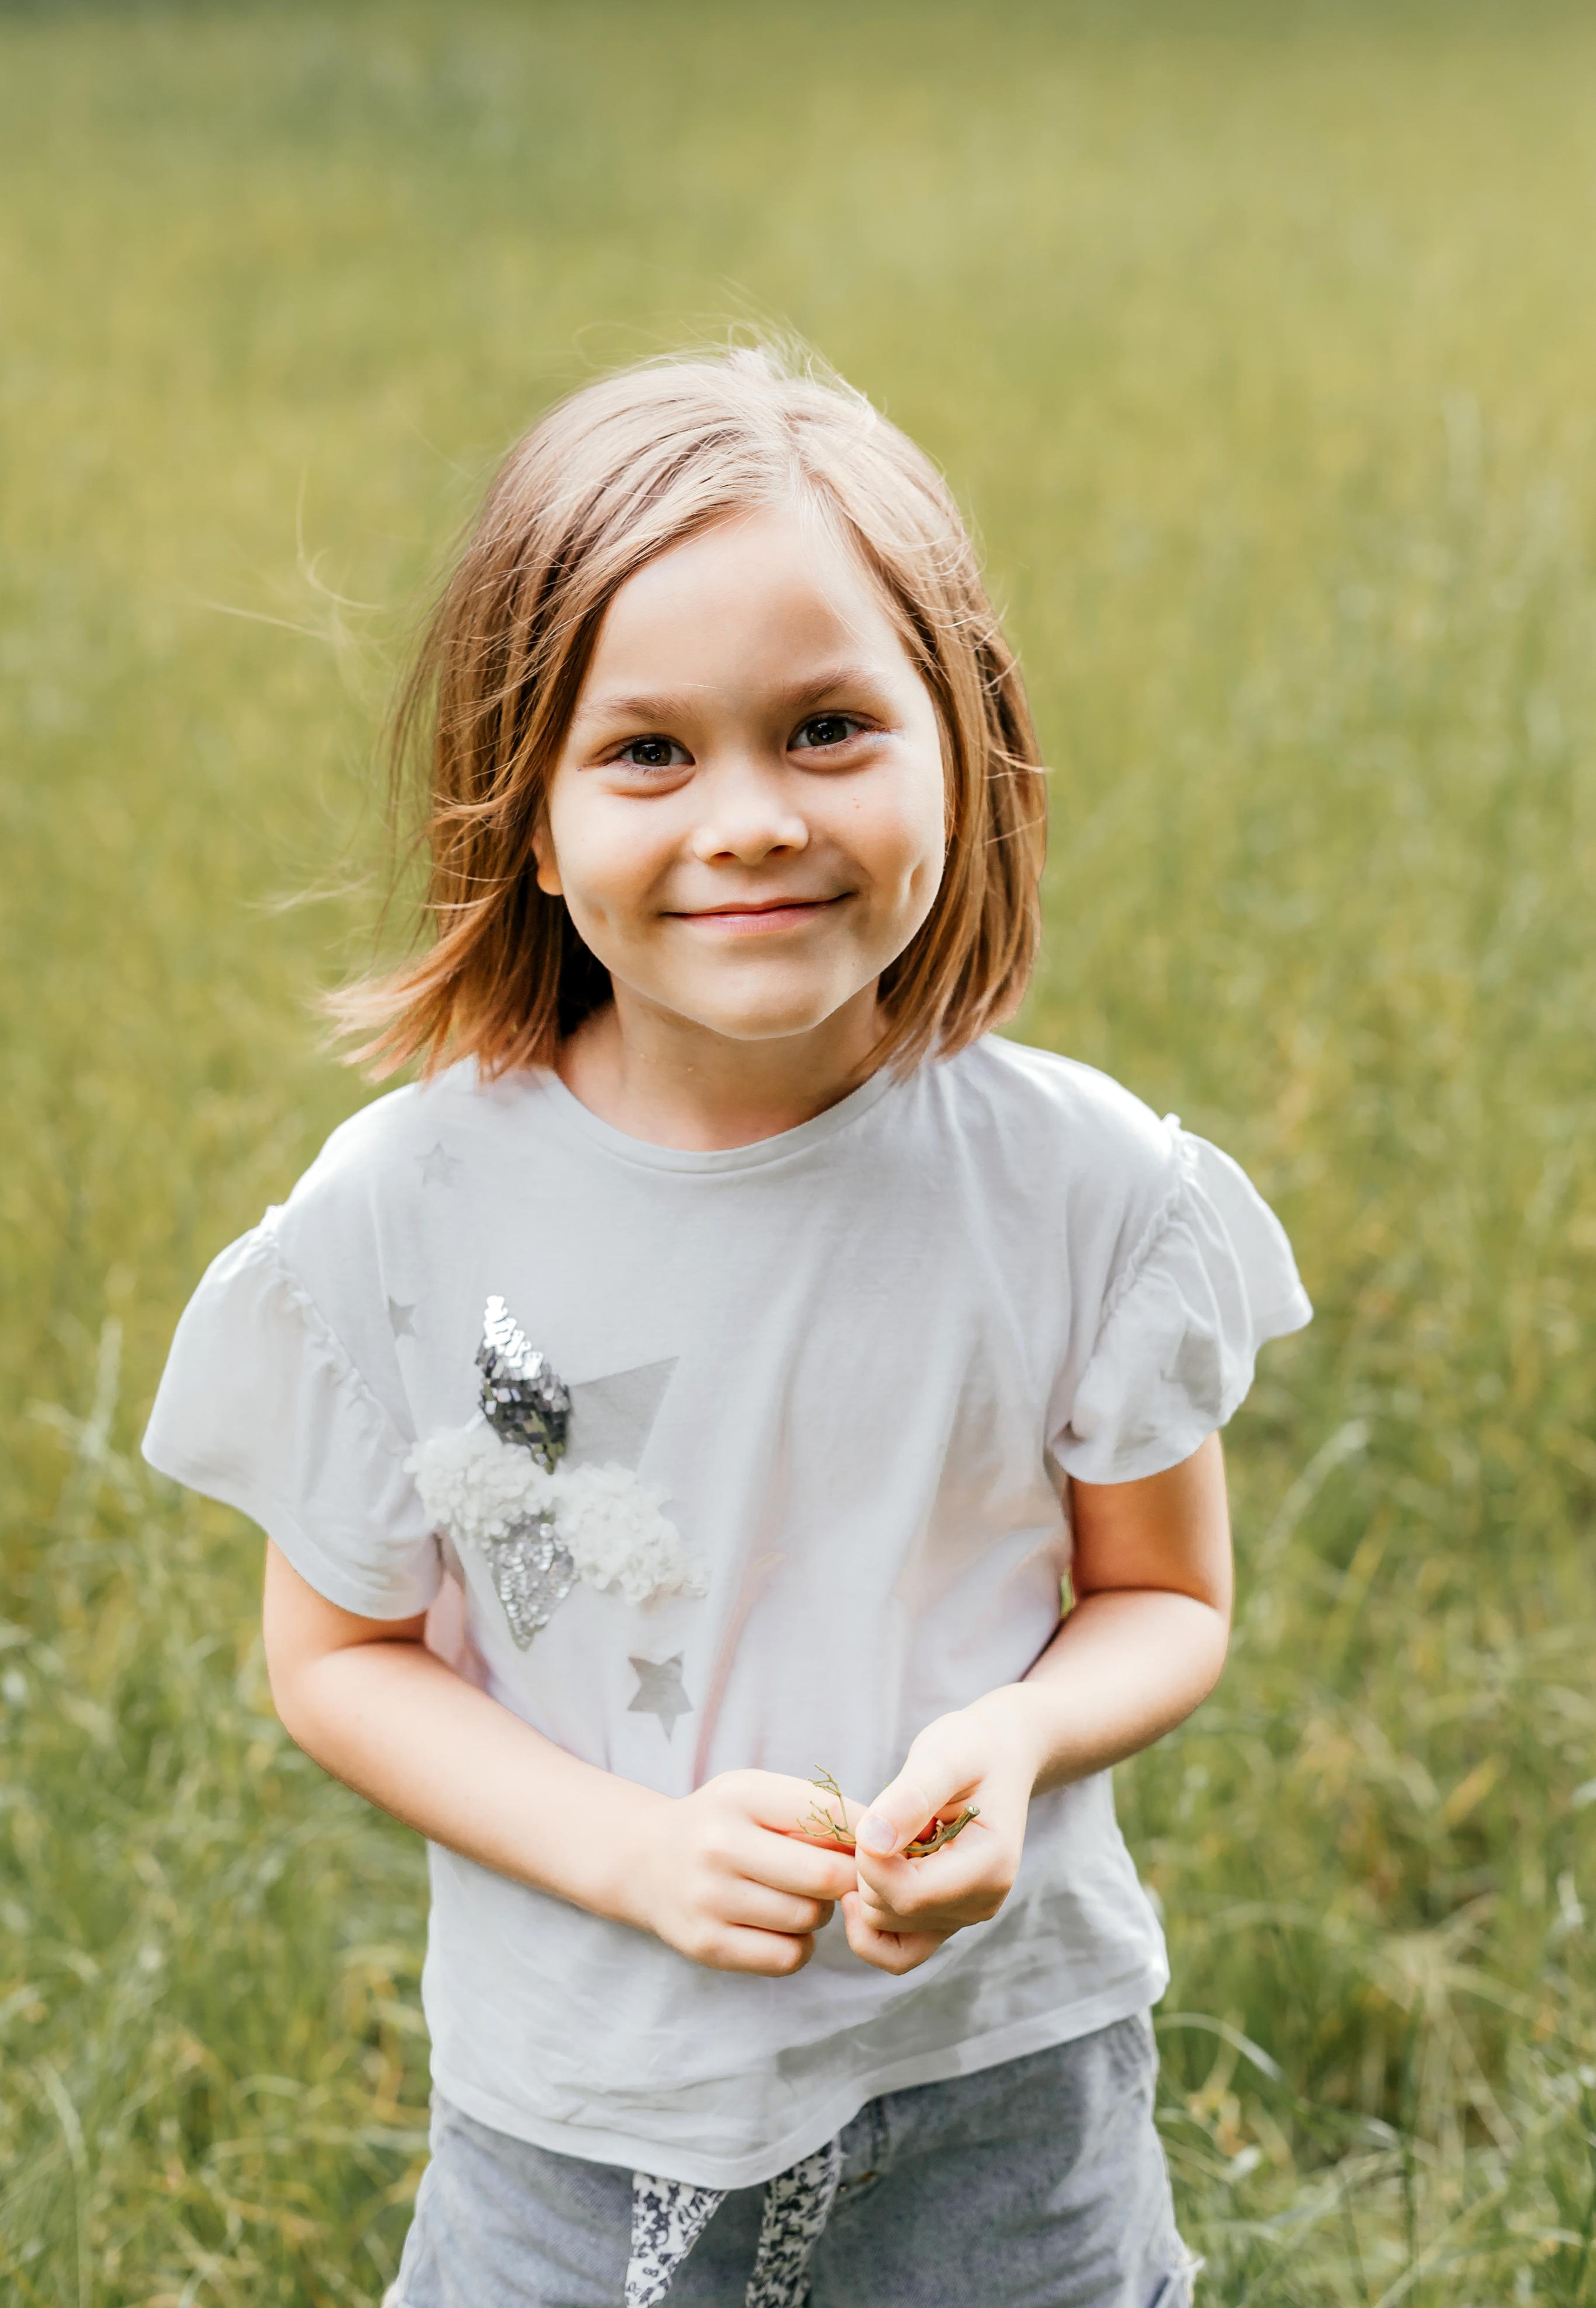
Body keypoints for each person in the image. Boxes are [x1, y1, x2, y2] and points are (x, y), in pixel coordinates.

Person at [142, 344, 1311, 2308]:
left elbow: (1166, 1600)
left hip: (999, 2087)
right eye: (651, 753)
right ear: (524, 809)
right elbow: (339, 1658)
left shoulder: (1086, 1190)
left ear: (965, 742)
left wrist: (1020, 1742)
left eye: (833, 728)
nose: (752, 817)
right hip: (581, 2113)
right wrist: (633, 1856)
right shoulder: (406, 1219)